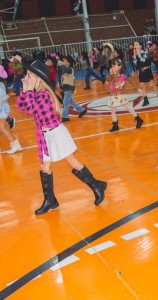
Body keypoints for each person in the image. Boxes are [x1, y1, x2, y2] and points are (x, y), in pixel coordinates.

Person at [16, 60, 107, 215]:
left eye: (30, 74)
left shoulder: (44, 95)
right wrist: (25, 89)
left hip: (56, 133)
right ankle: (50, 200)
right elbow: (21, 106)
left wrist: (28, 90)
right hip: (45, 136)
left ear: (38, 78)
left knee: (72, 161)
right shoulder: (36, 93)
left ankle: (96, 186)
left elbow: (31, 109)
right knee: (45, 167)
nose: (27, 76)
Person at [106, 58, 143, 132]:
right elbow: (107, 83)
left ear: (119, 67)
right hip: (113, 94)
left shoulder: (122, 75)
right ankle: (115, 125)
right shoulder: (113, 74)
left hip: (119, 94)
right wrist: (110, 75)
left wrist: (114, 74)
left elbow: (117, 85)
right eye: (112, 66)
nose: (113, 67)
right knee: (113, 109)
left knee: (127, 107)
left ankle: (138, 119)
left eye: (114, 66)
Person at [133, 41, 158, 106]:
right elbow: (136, 65)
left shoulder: (144, 52)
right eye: (134, 45)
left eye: (136, 44)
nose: (135, 46)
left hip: (147, 70)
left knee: (151, 85)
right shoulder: (135, 54)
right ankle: (146, 100)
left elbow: (144, 61)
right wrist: (135, 58)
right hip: (141, 71)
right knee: (142, 86)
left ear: (140, 46)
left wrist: (138, 55)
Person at [0, 64, 21, 154]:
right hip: (2, 108)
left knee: (2, 128)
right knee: (2, 128)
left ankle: (15, 145)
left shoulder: (0, 85)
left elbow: (1, 97)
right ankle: (15, 145)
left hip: (2, 108)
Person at [60, 55, 87, 122]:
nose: (63, 62)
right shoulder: (65, 69)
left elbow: (65, 70)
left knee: (65, 102)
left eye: (64, 61)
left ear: (68, 62)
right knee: (71, 101)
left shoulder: (70, 69)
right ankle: (82, 110)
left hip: (69, 88)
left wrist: (62, 65)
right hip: (66, 88)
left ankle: (65, 117)